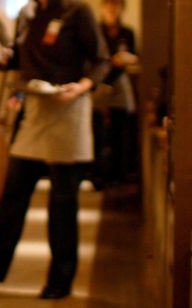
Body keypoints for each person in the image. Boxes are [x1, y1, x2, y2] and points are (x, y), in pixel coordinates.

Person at [0, 0, 110, 299]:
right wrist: (5, 56)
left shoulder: (77, 11)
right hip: (36, 109)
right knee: (13, 194)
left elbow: (101, 60)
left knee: (63, 202)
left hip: (68, 110)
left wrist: (81, 87)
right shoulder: (29, 12)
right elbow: (21, 55)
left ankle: (60, 280)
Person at [97, 0, 138, 183]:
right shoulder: (97, 30)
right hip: (100, 83)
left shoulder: (127, 33)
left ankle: (119, 174)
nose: (112, 10)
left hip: (120, 83)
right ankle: (97, 173)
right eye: (109, 5)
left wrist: (127, 59)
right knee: (97, 131)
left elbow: (134, 55)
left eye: (116, 6)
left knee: (120, 132)